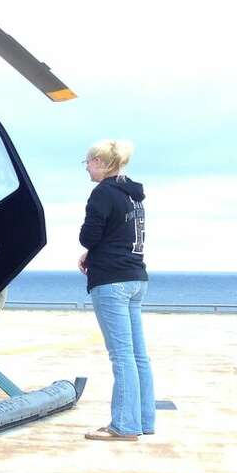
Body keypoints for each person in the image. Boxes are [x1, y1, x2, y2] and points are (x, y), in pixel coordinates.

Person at [78, 139, 154, 442]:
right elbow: (118, 235)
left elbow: (89, 236)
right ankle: (143, 420)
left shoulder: (103, 193)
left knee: (121, 356)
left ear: (99, 162)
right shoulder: (134, 196)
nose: (86, 167)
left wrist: (89, 252)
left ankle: (123, 425)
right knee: (139, 356)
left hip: (111, 281)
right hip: (136, 276)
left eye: (87, 162)